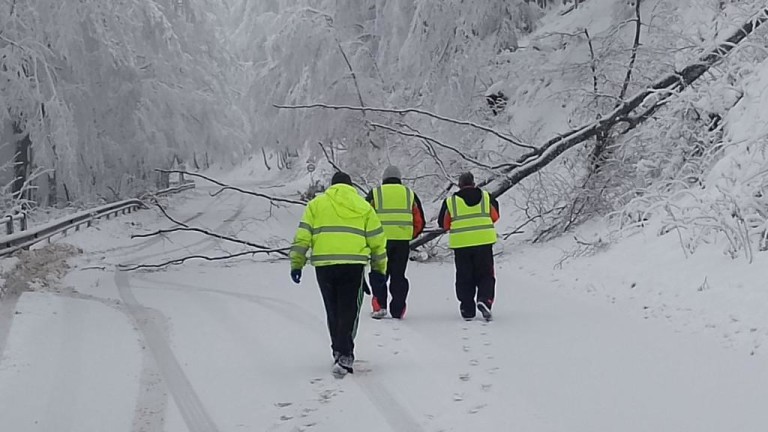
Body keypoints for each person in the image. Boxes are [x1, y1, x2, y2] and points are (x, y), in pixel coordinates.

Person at [290, 171, 388, 377]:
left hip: (324, 266)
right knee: (349, 309)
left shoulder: (316, 205)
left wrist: (297, 263)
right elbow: (377, 241)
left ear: (331, 186)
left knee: (332, 308)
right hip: (353, 265)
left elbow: (303, 236)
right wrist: (379, 269)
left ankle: (338, 349)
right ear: (351, 186)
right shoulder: (364, 207)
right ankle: (345, 353)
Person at [365, 165, 425, 319]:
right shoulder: (409, 194)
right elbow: (419, 220)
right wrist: (409, 234)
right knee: (398, 276)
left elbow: (364, 217)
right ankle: (398, 309)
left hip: (379, 242)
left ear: (384, 179)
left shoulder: (375, 193)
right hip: (401, 242)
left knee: (379, 274)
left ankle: (379, 306)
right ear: (400, 179)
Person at [437, 172, 499, 321]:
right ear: (474, 182)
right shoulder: (487, 197)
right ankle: (484, 300)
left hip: (462, 245)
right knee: (486, 275)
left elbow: (444, 224)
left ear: (459, 184)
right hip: (484, 243)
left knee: (464, 276)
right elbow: (495, 216)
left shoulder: (451, 202)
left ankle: (467, 309)